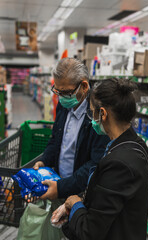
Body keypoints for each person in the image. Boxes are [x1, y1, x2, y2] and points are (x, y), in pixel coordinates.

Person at [52, 78, 148, 240]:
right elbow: (109, 205)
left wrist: (75, 204)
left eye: (92, 112)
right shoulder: (135, 144)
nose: (91, 118)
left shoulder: (119, 163)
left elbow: (90, 232)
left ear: (103, 114)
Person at [31, 58, 110, 239]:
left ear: (84, 86)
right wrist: (44, 161)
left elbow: (95, 163)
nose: (61, 97)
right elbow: (55, 140)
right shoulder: (63, 105)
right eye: (57, 91)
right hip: (58, 183)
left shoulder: (97, 114)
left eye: (65, 92)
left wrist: (62, 188)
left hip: (81, 195)